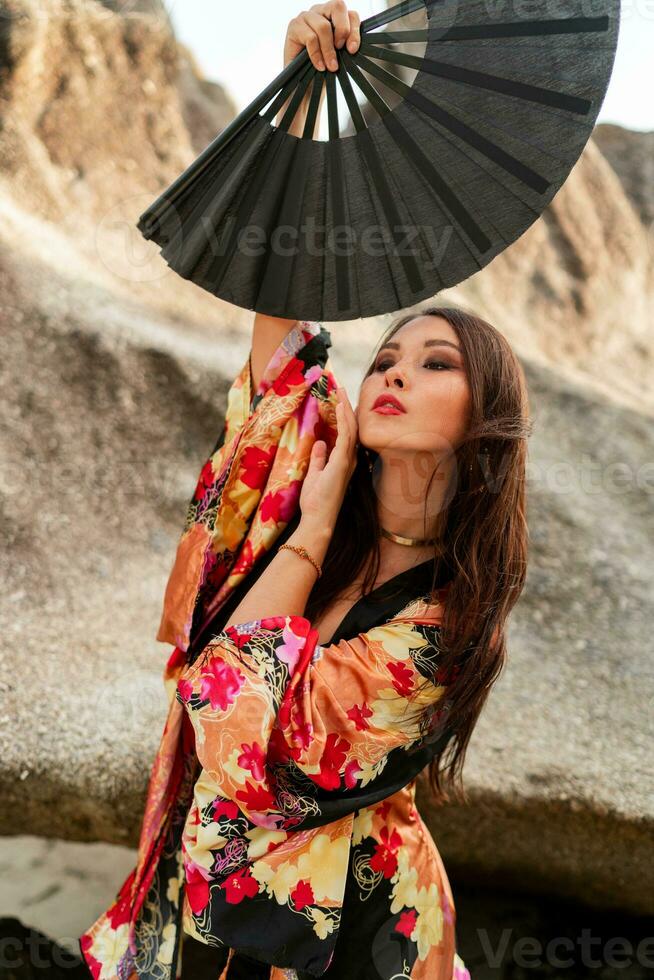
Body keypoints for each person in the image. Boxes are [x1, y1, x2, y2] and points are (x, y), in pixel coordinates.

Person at [78, 7, 531, 980]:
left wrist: (308, 531)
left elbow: (233, 719)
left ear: (485, 420)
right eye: (389, 356)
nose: (392, 373)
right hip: (208, 905)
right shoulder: (320, 449)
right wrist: (296, 98)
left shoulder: (441, 633)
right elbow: (279, 303)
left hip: (348, 941)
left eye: (437, 362)